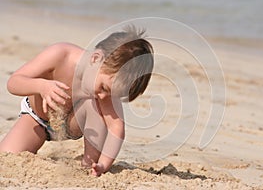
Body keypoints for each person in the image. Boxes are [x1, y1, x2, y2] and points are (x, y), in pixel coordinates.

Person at [0, 26, 154, 176]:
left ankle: (88, 164)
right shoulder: (60, 54)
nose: (103, 96)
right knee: (7, 155)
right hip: (37, 119)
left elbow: (116, 127)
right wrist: (41, 86)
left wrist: (104, 164)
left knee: (94, 106)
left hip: (72, 122)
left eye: (111, 94)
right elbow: (13, 83)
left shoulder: (104, 90)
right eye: (103, 88)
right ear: (96, 59)